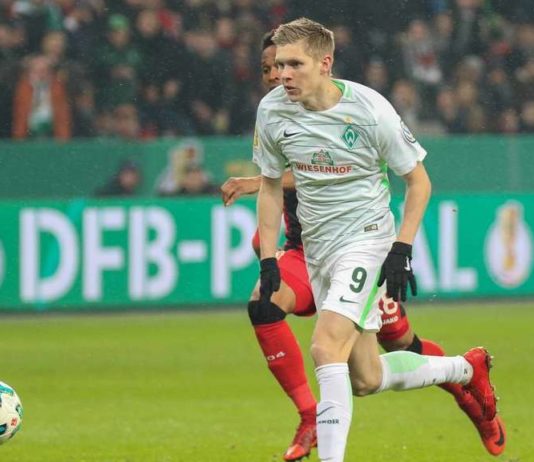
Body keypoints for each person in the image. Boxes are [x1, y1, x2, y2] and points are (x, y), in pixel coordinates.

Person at [222, 29, 505, 461]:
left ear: (325, 64)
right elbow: (273, 186)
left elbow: (418, 181)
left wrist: (401, 248)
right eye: (276, 66)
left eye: (293, 64)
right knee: (365, 378)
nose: (281, 75)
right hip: (314, 250)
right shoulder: (273, 110)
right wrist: (267, 260)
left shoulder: (370, 109)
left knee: (329, 346)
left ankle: (323, 438)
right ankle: (465, 368)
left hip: (365, 242)